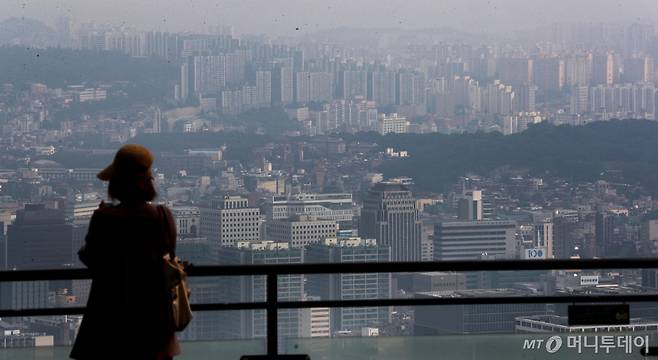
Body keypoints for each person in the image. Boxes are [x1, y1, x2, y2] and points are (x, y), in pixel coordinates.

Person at [70, 144, 181, 360]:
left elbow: (91, 257)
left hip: (110, 317)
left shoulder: (105, 218)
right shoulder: (162, 216)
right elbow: (169, 255)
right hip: (154, 318)